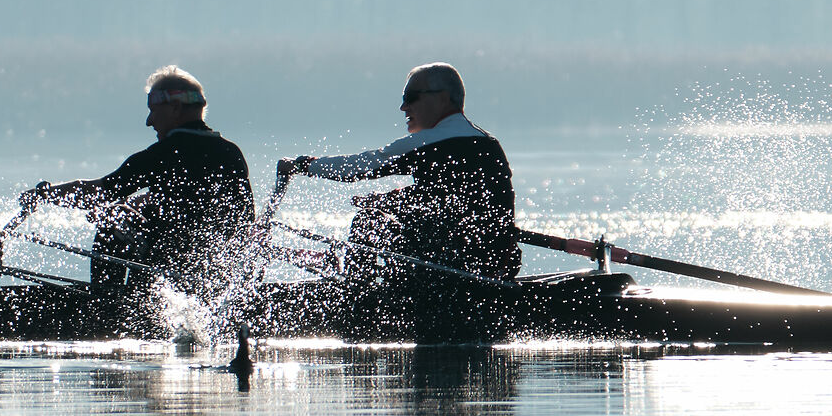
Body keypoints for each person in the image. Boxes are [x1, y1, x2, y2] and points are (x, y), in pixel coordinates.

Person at [25, 67, 254, 315]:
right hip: (211, 273)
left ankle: (106, 308)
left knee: (114, 218)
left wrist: (47, 194)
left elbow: (101, 192)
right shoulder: (231, 153)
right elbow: (243, 218)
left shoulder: (162, 155)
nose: (149, 121)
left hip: (164, 268)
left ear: (175, 109)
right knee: (131, 213)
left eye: (153, 110)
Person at [279, 62, 519, 284]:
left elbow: (357, 168)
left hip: (449, 267)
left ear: (443, 99)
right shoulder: (488, 142)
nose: (404, 107)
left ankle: (358, 296)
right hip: (496, 265)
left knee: (368, 221)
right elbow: (448, 197)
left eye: (411, 97)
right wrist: (387, 200)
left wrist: (303, 164)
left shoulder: (427, 142)